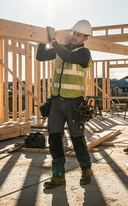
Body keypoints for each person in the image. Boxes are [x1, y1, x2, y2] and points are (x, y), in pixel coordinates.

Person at [36, 19, 93, 189]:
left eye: (78, 35)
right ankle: (58, 177)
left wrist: (53, 42)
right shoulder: (62, 50)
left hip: (74, 104)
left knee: (77, 139)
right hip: (56, 103)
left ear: (85, 38)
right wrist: (42, 39)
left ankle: (86, 169)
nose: (74, 36)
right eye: (74, 33)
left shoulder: (84, 53)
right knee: (54, 140)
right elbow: (41, 56)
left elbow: (68, 56)